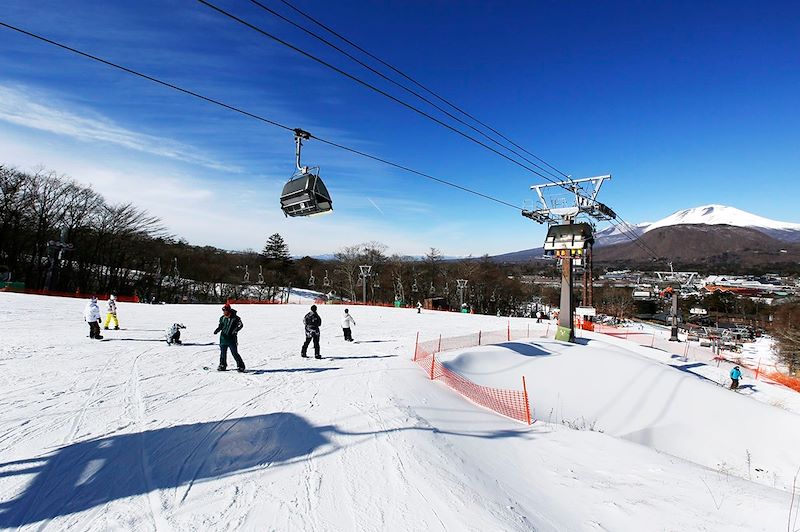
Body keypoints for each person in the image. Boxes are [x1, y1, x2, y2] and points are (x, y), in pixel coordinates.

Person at [213, 304, 245, 371]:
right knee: (222, 353)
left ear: (229, 310)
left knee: (234, 353)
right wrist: (218, 329)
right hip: (223, 338)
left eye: (225, 311)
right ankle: (222, 365)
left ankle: (241, 366)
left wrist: (236, 330)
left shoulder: (236, 318)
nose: (224, 312)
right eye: (223, 311)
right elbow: (221, 325)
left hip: (232, 339)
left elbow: (241, 325)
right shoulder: (222, 318)